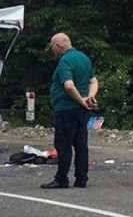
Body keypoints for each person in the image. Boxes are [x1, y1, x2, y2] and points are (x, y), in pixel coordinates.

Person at [41, 32, 99, 189]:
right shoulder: (83, 58)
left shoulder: (64, 61)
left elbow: (68, 85)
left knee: (63, 144)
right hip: (82, 111)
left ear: (59, 45)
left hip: (66, 108)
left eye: (53, 46)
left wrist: (81, 100)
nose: (52, 50)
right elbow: (93, 81)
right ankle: (81, 178)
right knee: (81, 144)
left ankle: (62, 179)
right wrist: (89, 98)